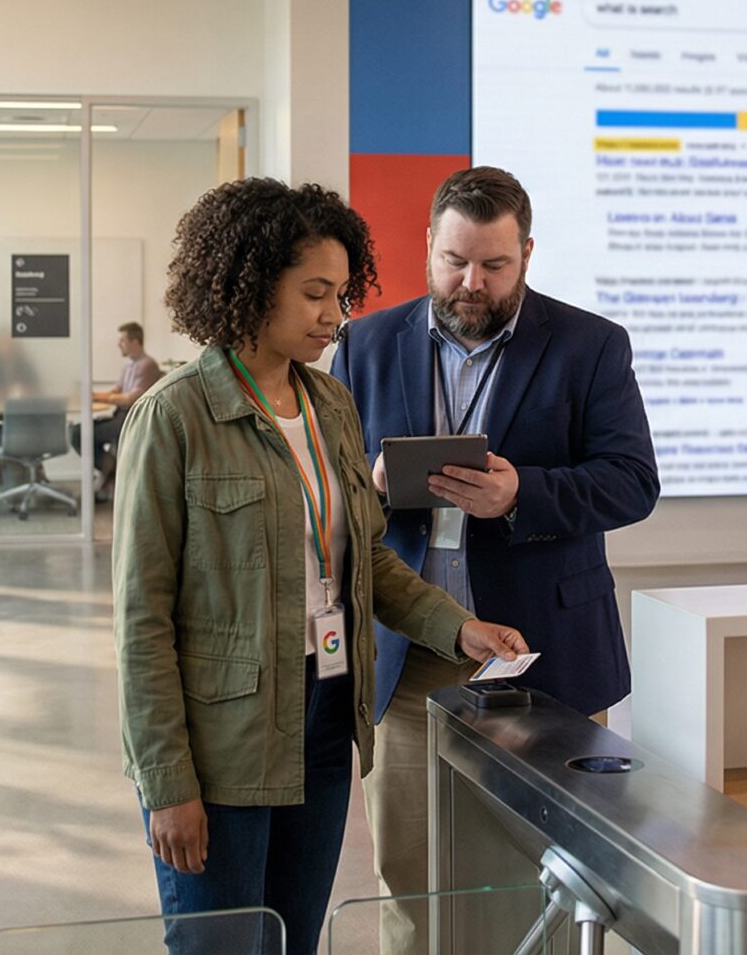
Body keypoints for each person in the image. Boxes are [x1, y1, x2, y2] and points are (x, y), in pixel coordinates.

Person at [114, 178, 532, 955]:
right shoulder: (174, 417)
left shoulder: (329, 405)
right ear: (249, 285)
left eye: (340, 294)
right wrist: (166, 784)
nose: (334, 316)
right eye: (313, 294)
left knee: (294, 939)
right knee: (223, 946)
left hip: (327, 709)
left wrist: (459, 628)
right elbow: (142, 621)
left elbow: (364, 558)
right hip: (224, 736)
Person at [329, 166, 659, 953]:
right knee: (410, 871)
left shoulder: (590, 346)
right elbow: (328, 497)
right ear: (428, 247)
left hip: (541, 655)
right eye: (454, 261)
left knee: (550, 875)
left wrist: (522, 494)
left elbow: (632, 482)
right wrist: (372, 483)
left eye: (494, 265)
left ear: (527, 255)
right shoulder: (365, 345)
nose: (471, 283)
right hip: (407, 656)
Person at [87, 321, 165, 495]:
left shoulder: (147, 365)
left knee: (80, 434)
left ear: (135, 342)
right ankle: (111, 471)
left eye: (122, 340)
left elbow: (131, 399)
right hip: (120, 415)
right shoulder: (129, 364)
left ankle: (112, 471)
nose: (119, 344)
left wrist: (95, 397)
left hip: (132, 418)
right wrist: (93, 394)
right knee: (79, 432)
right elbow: (116, 391)